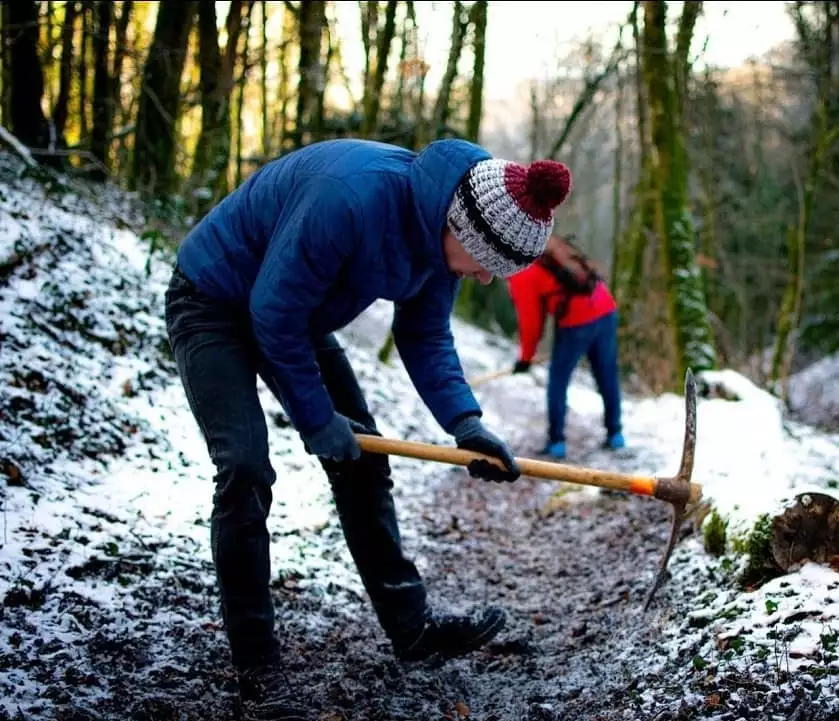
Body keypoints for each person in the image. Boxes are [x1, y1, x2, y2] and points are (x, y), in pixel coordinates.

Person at [164, 137, 572, 721]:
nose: (484, 279)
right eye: (487, 264)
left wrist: (467, 424)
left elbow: (425, 335)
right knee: (245, 468)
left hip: (292, 315)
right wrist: (315, 419)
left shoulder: (447, 230)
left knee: (363, 461)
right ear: (466, 232)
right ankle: (257, 670)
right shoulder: (350, 199)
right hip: (212, 300)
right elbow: (271, 313)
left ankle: (413, 630)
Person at [506, 234, 624, 460]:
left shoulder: (521, 272)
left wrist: (525, 358)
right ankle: (616, 434)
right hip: (605, 306)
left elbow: (530, 322)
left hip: (575, 322)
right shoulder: (548, 243)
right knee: (607, 373)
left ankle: (557, 442)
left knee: (558, 380)